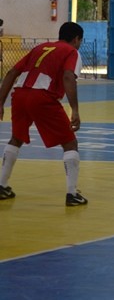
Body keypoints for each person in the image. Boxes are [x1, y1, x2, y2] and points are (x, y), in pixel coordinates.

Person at [0, 21, 88, 206]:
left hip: (20, 95)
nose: (80, 44)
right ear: (76, 39)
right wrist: (75, 110)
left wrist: (0, 102)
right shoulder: (71, 51)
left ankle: (2, 185)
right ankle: (72, 194)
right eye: (80, 40)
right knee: (70, 143)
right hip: (42, 97)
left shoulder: (40, 47)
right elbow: (68, 77)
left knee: (16, 138)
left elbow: (11, 72)